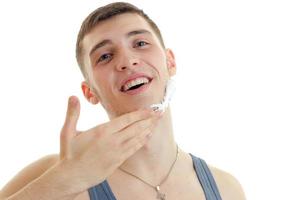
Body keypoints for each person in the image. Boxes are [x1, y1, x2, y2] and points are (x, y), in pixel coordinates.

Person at [0, 2, 246, 200]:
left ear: (170, 62)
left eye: (140, 43)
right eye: (105, 56)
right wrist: (68, 179)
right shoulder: (52, 175)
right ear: (90, 92)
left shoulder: (227, 189)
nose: (127, 61)